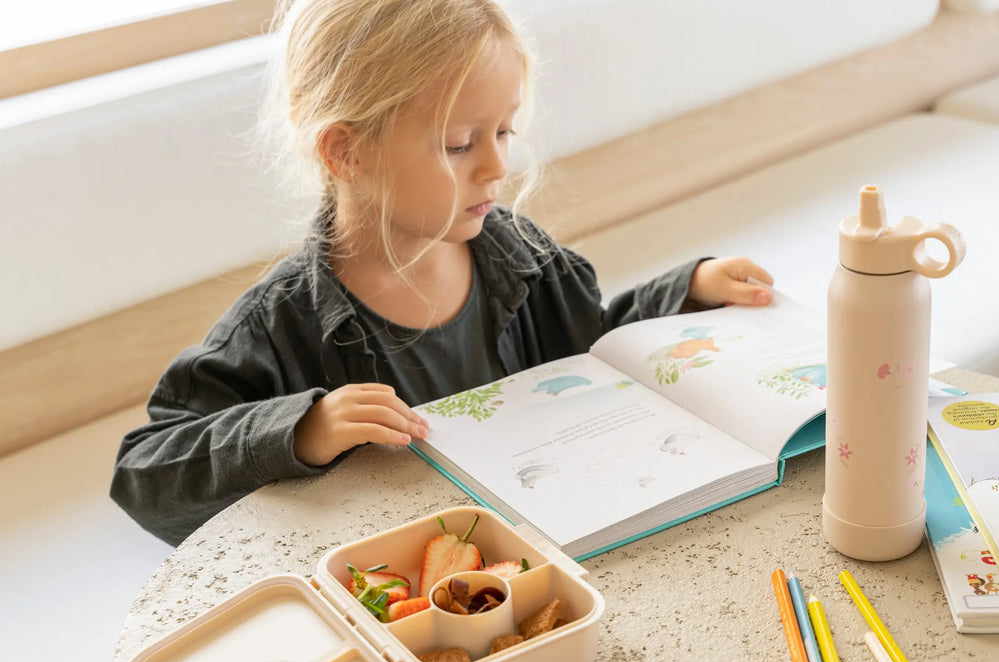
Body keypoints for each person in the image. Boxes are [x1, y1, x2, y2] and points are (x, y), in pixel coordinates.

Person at [110, 0, 775, 546]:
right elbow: (145, 471)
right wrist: (299, 431)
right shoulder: (280, 325)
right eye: (459, 143)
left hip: (547, 547)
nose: (496, 166)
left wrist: (684, 289)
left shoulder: (519, 256)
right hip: (404, 595)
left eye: (505, 132)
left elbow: (586, 351)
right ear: (347, 152)